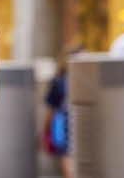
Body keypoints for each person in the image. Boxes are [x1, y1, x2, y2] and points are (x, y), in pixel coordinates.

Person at [43, 44, 82, 178]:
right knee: (67, 155)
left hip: (67, 123)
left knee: (67, 155)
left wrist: (45, 130)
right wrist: (46, 130)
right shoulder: (59, 80)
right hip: (65, 124)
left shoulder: (59, 79)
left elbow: (50, 108)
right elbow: (50, 108)